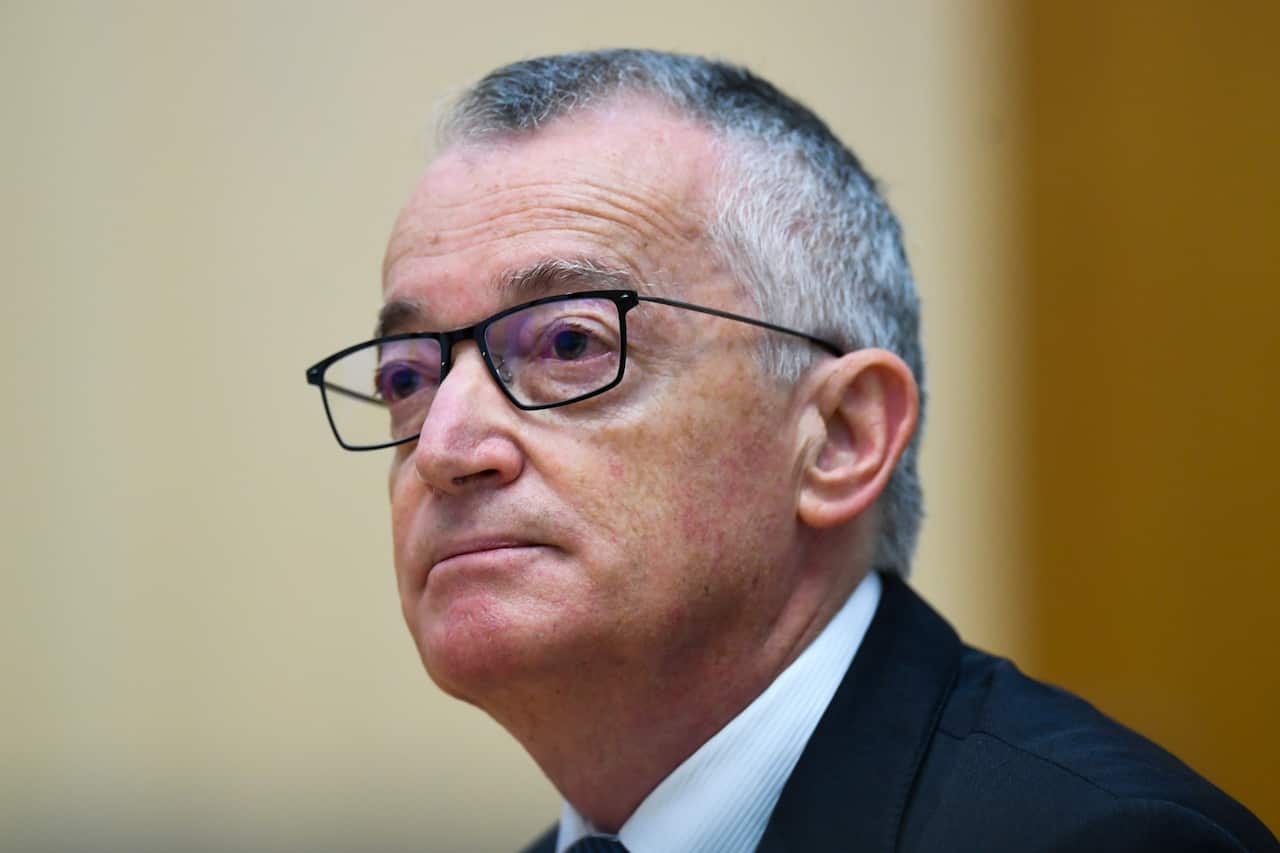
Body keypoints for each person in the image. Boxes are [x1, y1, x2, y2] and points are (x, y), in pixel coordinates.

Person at [305, 49, 1277, 853]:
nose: (444, 445)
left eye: (568, 345)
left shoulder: (1099, 842)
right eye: (406, 376)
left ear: (841, 438)